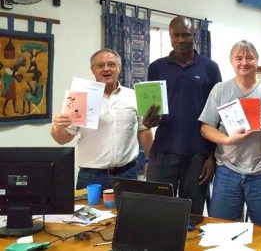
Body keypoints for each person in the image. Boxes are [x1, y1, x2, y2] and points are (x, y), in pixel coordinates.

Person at [199, 40, 261, 226]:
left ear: (257, 61)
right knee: (221, 227)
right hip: (227, 170)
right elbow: (205, 127)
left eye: (249, 58)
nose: (244, 62)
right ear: (231, 62)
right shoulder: (220, 89)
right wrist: (227, 140)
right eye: (239, 58)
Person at [146, 16, 222, 223]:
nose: (181, 39)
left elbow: (218, 116)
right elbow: (150, 111)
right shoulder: (156, 67)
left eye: (186, 34)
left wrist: (212, 157)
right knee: (158, 213)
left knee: (193, 216)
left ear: (194, 36)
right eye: (176, 35)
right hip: (163, 151)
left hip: (198, 154)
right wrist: (149, 121)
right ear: (170, 36)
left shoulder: (210, 68)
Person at [50, 49, 154, 190]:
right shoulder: (80, 97)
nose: (106, 69)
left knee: (127, 212)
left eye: (111, 64)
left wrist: (151, 161)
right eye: (100, 65)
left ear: (119, 67)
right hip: (91, 176)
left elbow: (144, 131)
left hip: (127, 174)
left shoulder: (133, 96)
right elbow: (62, 139)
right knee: (88, 212)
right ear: (92, 70)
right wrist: (57, 126)